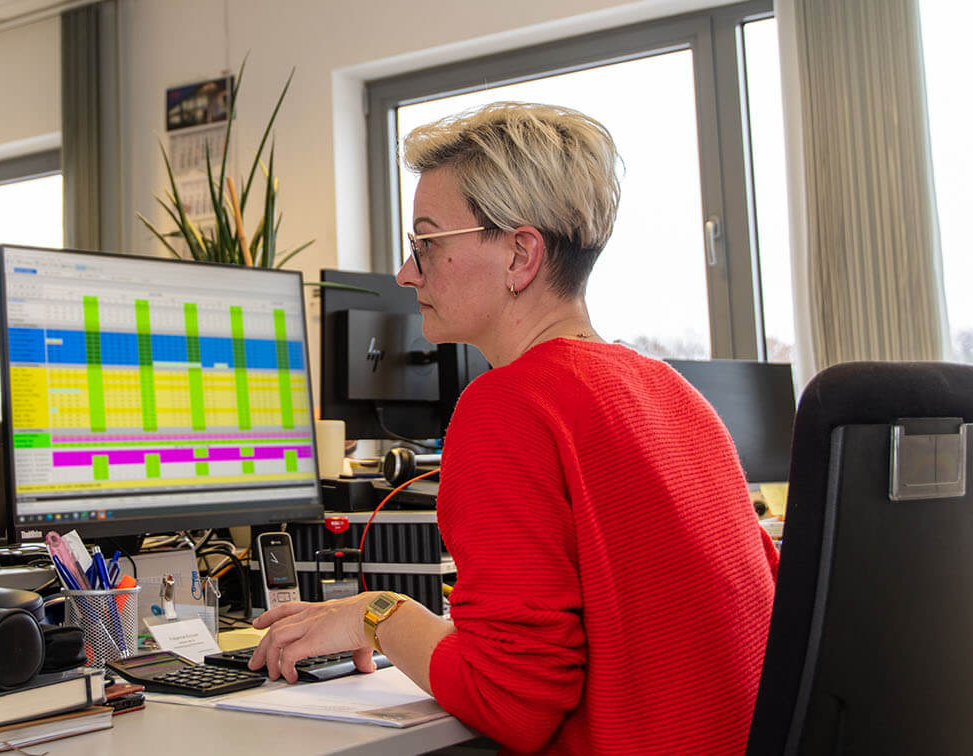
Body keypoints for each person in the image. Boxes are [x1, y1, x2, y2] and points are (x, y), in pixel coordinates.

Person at [249, 102, 778, 755]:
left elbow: (511, 700)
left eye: (426, 243)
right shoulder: (671, 391)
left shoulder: (509, 405)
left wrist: (376, 613)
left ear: (520, 255)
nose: (407, 273)